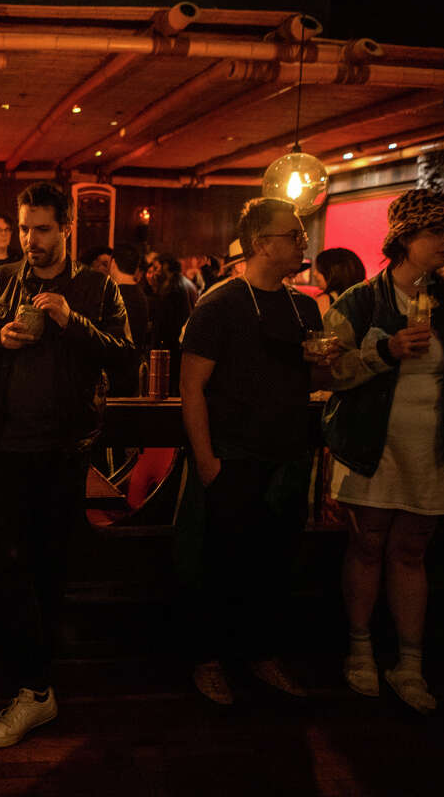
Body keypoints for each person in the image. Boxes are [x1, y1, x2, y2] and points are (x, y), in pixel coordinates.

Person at [0, 182, 133, 747]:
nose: (30, 240)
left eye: (43, 229)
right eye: (25, 228)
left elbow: (125, 357)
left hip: (64, 451)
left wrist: (68, 319)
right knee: (5, 563)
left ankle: (35, 679)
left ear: (66, 229)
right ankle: (34, 687)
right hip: (2, 445)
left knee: (50, 566)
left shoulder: (96, 287)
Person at [322, 190, 444, 714]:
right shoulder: (358, 302)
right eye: (438, 232)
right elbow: (329, 369)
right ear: (404, 238)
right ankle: (359, 652)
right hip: (371, 443)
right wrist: (386, 351)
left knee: (411, 552)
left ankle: (409, 662)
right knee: (368, 544)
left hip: (433, 447)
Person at [179, 197, 336, 706]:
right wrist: (206, 461)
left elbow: (311, 378)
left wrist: (328, 362)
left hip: (288, 455)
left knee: (275, 564)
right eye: (293, 234)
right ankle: (208, 660)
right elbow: (192, 388)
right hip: (234, 456)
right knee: (219, 565)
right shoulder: (219, 304)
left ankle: (261, 655)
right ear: (263, 244)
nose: (302, 242)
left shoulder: (304, 306)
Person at [150, 255, 194, 396]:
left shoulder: (171, 287)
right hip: (182, 343)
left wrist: (155, 344)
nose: (155, 272)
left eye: (157, 268)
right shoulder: (187, 283)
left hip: (171, 346)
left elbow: (164, 322)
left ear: (166, 266)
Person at [314, 247, 367, 317]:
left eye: (319, 269)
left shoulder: (324, 301)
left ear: (334, 272)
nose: (314, 273)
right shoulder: (365, 299)